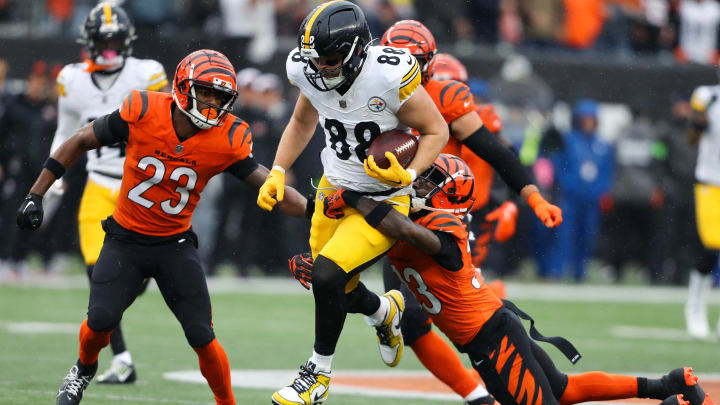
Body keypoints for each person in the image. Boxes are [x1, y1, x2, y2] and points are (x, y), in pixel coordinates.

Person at [292, 153, 715, 405]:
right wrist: (333, 279)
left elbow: (405, 232)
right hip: (494, 327)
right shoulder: (404, 217)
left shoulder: (442, 227)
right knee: (563, 390)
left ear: (449, 193)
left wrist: (354, 197)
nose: (419, 180)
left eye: (431, 178)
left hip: (492, 341)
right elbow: (355, 233)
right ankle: (667, 384)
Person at [16, 49, 307, 405]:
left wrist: (318, 211)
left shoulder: (227, 138)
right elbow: (79, 140)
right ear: (184, 88)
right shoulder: (143, 110)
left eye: (221, 97)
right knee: (99, 323)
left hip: (174, 245)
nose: (214, 104)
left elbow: (273, 187)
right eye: (206, 92)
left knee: (201, 334)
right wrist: (36, 194)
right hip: (125, 239)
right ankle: (83, 369)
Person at [256, 2, 449, 404]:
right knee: (331, 285)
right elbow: (302, 121)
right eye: (314, 60)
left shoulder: (388, 75)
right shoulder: (308, 69)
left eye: (327, 60)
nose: (318, 68)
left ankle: (317, 375)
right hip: (333, 188)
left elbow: (436, 131)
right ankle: (384, 312)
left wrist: (409, 176)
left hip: (381, 199)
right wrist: (277, 169)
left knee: (326, 274)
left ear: (356, 51)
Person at [362, 20, 561, 405]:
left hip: (438, 215)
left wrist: (530, 197)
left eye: (412, 61)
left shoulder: (446, 96)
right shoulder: (370, 94)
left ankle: (521, 378)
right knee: (387, 305)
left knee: (463, 314)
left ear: (429, 64)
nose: (404, 68)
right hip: (390, 209)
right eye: (395, 59)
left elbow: (494, 154)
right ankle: (477, 392)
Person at [46, 2, 169, 383]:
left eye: (116, 39)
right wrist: (53, 177)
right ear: (89, 41)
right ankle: (122, 359)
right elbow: (64, 133)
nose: (110, 47)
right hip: (98, 185)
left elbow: (165, 128)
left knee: (133, 280)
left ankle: (121, 355)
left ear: (128, 40)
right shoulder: (72, 79)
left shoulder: (145, 74)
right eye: (104, 40)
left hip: (139, 188)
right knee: (97, 275)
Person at [684, 81, 720, 339]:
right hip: (710, 181)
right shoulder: (708, 96)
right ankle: (695, 306)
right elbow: (692, 138)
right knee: (712, 244)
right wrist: (699, 119)